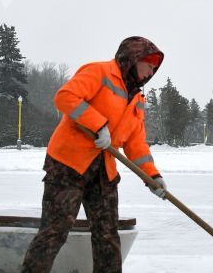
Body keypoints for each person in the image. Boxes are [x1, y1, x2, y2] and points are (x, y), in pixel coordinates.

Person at [21, 36, 167, 273]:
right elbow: (65, 97)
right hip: (68, 165)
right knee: (55, 230)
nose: (152, 71)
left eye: (155, 68)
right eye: (149, 65)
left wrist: (152, 176)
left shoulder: (137, 99)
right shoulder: (99, 72)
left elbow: (136, 143)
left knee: (108, 235)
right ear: (135, 58)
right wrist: (98, 125)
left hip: (104, 170)